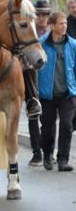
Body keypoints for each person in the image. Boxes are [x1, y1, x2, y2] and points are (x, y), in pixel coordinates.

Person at [38, 12, 76, 171]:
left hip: (67, 93)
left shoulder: (73, 44)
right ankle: (47, 155)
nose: (65, 26)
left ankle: (63, 160)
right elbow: (34, 69)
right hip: (46, 94)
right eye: (61, 23)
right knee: (47, 128)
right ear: (52, 26)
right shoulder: (40, 44)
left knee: (67, 125)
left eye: (65, 23)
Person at [27, 0, 51, 165]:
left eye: (46, 14)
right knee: (33, 113)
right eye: (39, 14)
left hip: (50, 80)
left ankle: (49, 151)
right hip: (31, 78)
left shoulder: (53, 32)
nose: (42, 18)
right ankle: (37, 152)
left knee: (49, 119)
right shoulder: (29, 32)